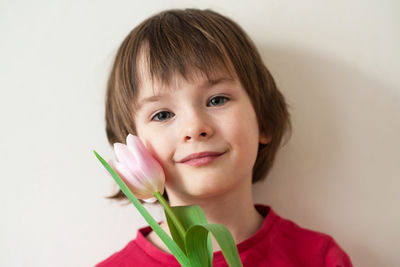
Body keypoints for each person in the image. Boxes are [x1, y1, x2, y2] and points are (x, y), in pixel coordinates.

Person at [96, 8, 353, 266]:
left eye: (217, 100)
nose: (195, 127)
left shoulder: (319, 259)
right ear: (132, 151)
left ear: (263, 120)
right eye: (162, 115)